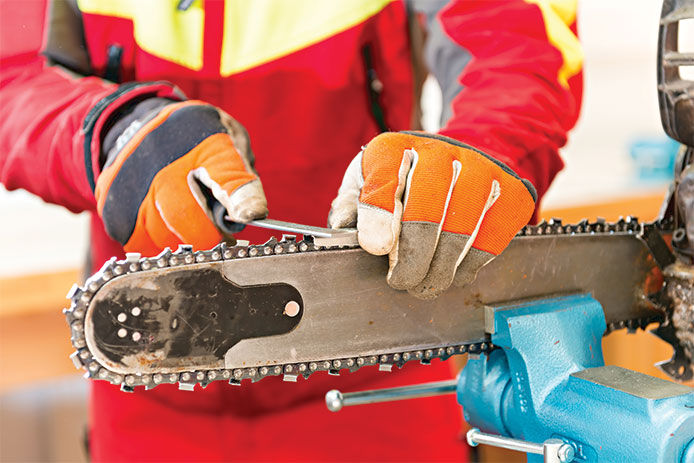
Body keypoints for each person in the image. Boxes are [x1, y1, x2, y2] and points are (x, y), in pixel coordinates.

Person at [0, 0, 582, 461]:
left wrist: (482, 151)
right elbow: (12, 72)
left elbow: (517, 41)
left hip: (378, 368)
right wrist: (111, 133)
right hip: (150, 381)